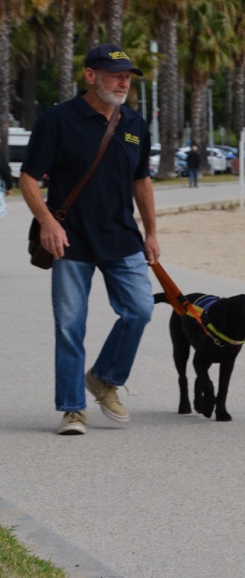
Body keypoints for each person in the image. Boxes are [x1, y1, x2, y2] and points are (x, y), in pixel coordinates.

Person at [19, 43, 159, 436]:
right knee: (69, 326)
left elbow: (141, 180)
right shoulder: (57, 120)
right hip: (71, 239)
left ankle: (104, 377)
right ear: (90, 75)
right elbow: (28, 178)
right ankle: (72, 409)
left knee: (141, 309)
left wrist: (151, 232)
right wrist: (47, 222)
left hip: (122, 237)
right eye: (116, 74)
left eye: (128, 76)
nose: (124, 81)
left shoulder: (134, 124)